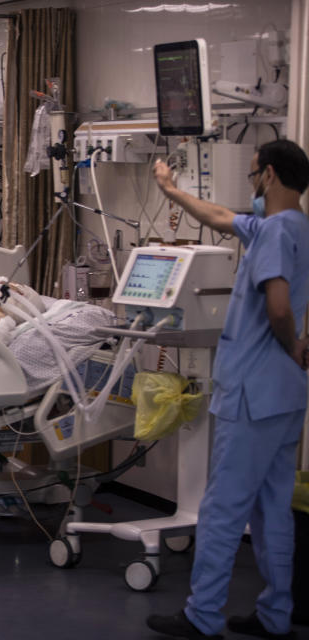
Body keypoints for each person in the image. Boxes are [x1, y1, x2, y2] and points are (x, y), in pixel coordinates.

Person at [146, 140, 309, 640]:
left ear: (271, 176)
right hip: (284, 397)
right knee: (272, 508)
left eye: (253, 174)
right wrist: (170, 190)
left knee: (222, 509)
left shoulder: (276, 233)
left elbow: (278, 307)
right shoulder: (292, 226)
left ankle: (202, 615)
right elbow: (218, 216)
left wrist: (293, 344)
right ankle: (276, 615)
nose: (250, 184)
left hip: (253, 394)